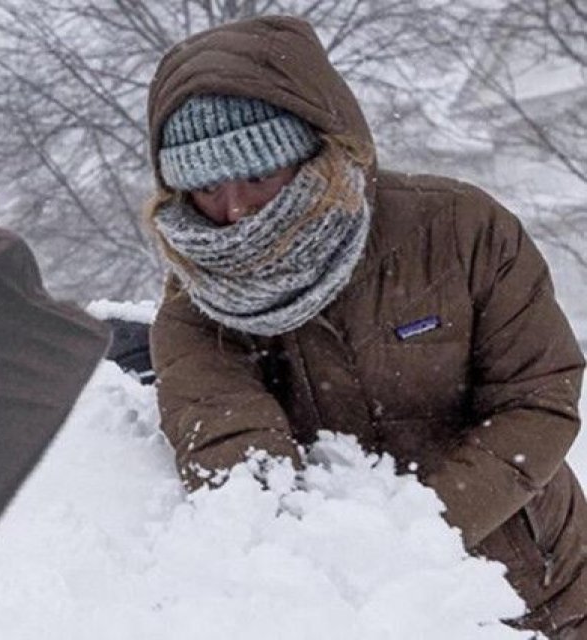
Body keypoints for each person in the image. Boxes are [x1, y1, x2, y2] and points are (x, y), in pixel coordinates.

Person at [144, 16, 586, 637]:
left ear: (317, 152)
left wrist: (419, 529)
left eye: (257, 175)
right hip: (350, 608)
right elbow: (230, 442)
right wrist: (310, 561)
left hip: (534, 585)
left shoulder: (460, 230)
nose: (236, 209)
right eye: (207, 187)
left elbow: (538, 397)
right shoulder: (196, 303)